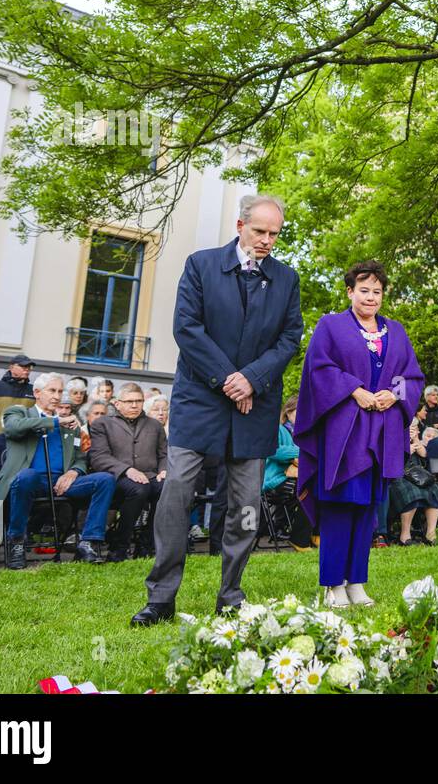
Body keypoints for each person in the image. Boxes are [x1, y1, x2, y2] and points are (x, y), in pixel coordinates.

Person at [133, 194, 303, 626]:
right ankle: (161, 598)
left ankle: (231, 596)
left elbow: (289, 338)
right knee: (177, 497)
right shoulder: (201, 264)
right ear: (240, 225)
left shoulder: (286, 279)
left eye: (274, 234)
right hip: (200, 402)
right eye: (260, 231)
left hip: (254, 407)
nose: (266, 240)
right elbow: (186, 328)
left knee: (245, 507)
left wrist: (252, 379)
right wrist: (231, 380)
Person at [294, 259, 423, 608]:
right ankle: (332, 585)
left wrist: (392, 394)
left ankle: (356, 582)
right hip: (344, 433)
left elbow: (412, 377)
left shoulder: (395, 331)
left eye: (376, 291)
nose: (370, 297)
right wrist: (354, 389)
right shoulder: (331, 326)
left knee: (367, 508)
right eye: (363, 290)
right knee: (339, 505)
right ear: (350, 292)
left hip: (381, 433)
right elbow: (319, 368)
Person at [0, 372, 116, 568]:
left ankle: (89, 542)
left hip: (62, 482)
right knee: (28, 475)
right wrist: (54, 421)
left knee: (105, 479)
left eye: (60, 391)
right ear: (37, 392)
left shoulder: (69, 425)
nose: (57, 396)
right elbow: (13, 428)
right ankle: (16, 540)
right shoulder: (19, 413)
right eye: (52, 390)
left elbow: (80, 458)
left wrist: (74, 472)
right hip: (29, 482)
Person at [89, 382, 168, 561]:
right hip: (117, 477)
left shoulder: (154, 425)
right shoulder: (103, 424)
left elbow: (164, 453)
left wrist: (164, 470)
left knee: (166, 488)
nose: (134, 405)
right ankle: (120, 545)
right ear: (117, 403)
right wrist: (127, 470)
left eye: (139, 401)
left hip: (150, 475)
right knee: (139, 490)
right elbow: (99, 457)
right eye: (129, 401)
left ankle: (146, 544)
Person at [262, 399, 314, 550]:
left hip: (295, 478)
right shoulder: (277, 429)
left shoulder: (304, 433)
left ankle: (315, 534)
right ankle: (300, 540)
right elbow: (273, 450)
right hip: (276, 480)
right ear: (288, 411)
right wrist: (304, 452)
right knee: (310, 490)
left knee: (321, 488)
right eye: (300, 410)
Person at [390, 426, 438, 546]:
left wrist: (415, 440)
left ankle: (430, 534)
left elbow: (424, 455)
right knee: (414, 494)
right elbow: (391, 460)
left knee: (433, 490)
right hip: (397, 476)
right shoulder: (393, 438)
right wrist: (406, 450)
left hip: (415, 477)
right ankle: (405, 535)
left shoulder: (415, 440)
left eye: (414, 428)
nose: (411, 430)